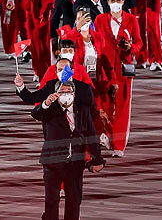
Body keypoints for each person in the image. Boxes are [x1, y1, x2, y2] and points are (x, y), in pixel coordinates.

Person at [32, 80, 104, 220]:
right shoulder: (50, 110)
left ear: (74, 94)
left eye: (69, 92)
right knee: (52, 201)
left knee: (74, 201)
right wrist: (46, 103)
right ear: (57, 94)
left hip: (75, 164)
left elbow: (91, 135)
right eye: (62, 92)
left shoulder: (83, 110)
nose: (66, 95)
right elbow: (35, 114)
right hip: (52, 162)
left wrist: (97, 159)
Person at [93, 0, 141, 156]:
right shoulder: (100, 19)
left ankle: (119, 145)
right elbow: (94, 40)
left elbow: (140, 43)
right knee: (104, 105)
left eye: (118, 0)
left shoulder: (131, 19)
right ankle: (108, 133)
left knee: (122, 107)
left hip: (124, 67)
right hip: (104, 68)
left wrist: (131, 48)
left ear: (123, 2)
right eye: (112, 0)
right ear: (107, 2)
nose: (115, 3)